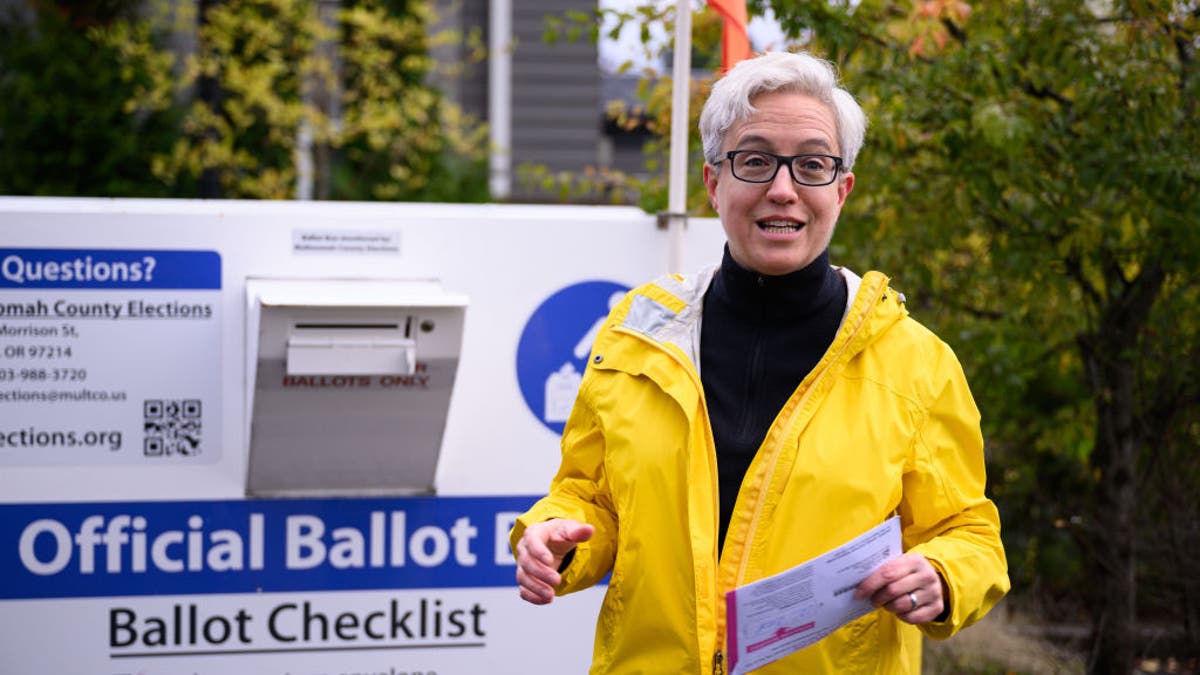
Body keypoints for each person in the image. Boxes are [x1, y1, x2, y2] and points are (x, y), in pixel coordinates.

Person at [511, 51, 1009, 674]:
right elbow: (591, 497)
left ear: (842, 188)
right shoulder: (638, 336)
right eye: (754, 161)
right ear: (714, 182)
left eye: (811, 164)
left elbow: (968, 532)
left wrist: (941, 575)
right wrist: (557, 537)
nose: (782, 189)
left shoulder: (915, 362)